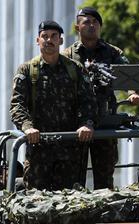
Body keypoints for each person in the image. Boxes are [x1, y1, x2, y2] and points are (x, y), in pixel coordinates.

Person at [10, 20, 97, 191]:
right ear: (38, 40)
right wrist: (27, 128)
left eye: (54, 36)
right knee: (37, 205)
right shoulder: (26, 71)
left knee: (70, 205)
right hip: (38, 150)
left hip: (70, 151)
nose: (49, 40)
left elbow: (89, 101)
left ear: (61, 41)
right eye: (45, 36)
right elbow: (17, 105)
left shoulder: (75, 69)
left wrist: (86, 124)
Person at [63, 7, 139, 190]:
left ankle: (106, 217)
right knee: (73, 179)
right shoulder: (67, 56)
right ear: (77, 27)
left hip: (105, 121)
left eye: (95, 22)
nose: (91, 25)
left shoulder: (112, 52)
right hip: (77, 124)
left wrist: (132, 93)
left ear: (100, 27)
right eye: (86, 22)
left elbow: (129, 75)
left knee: (105, 179)